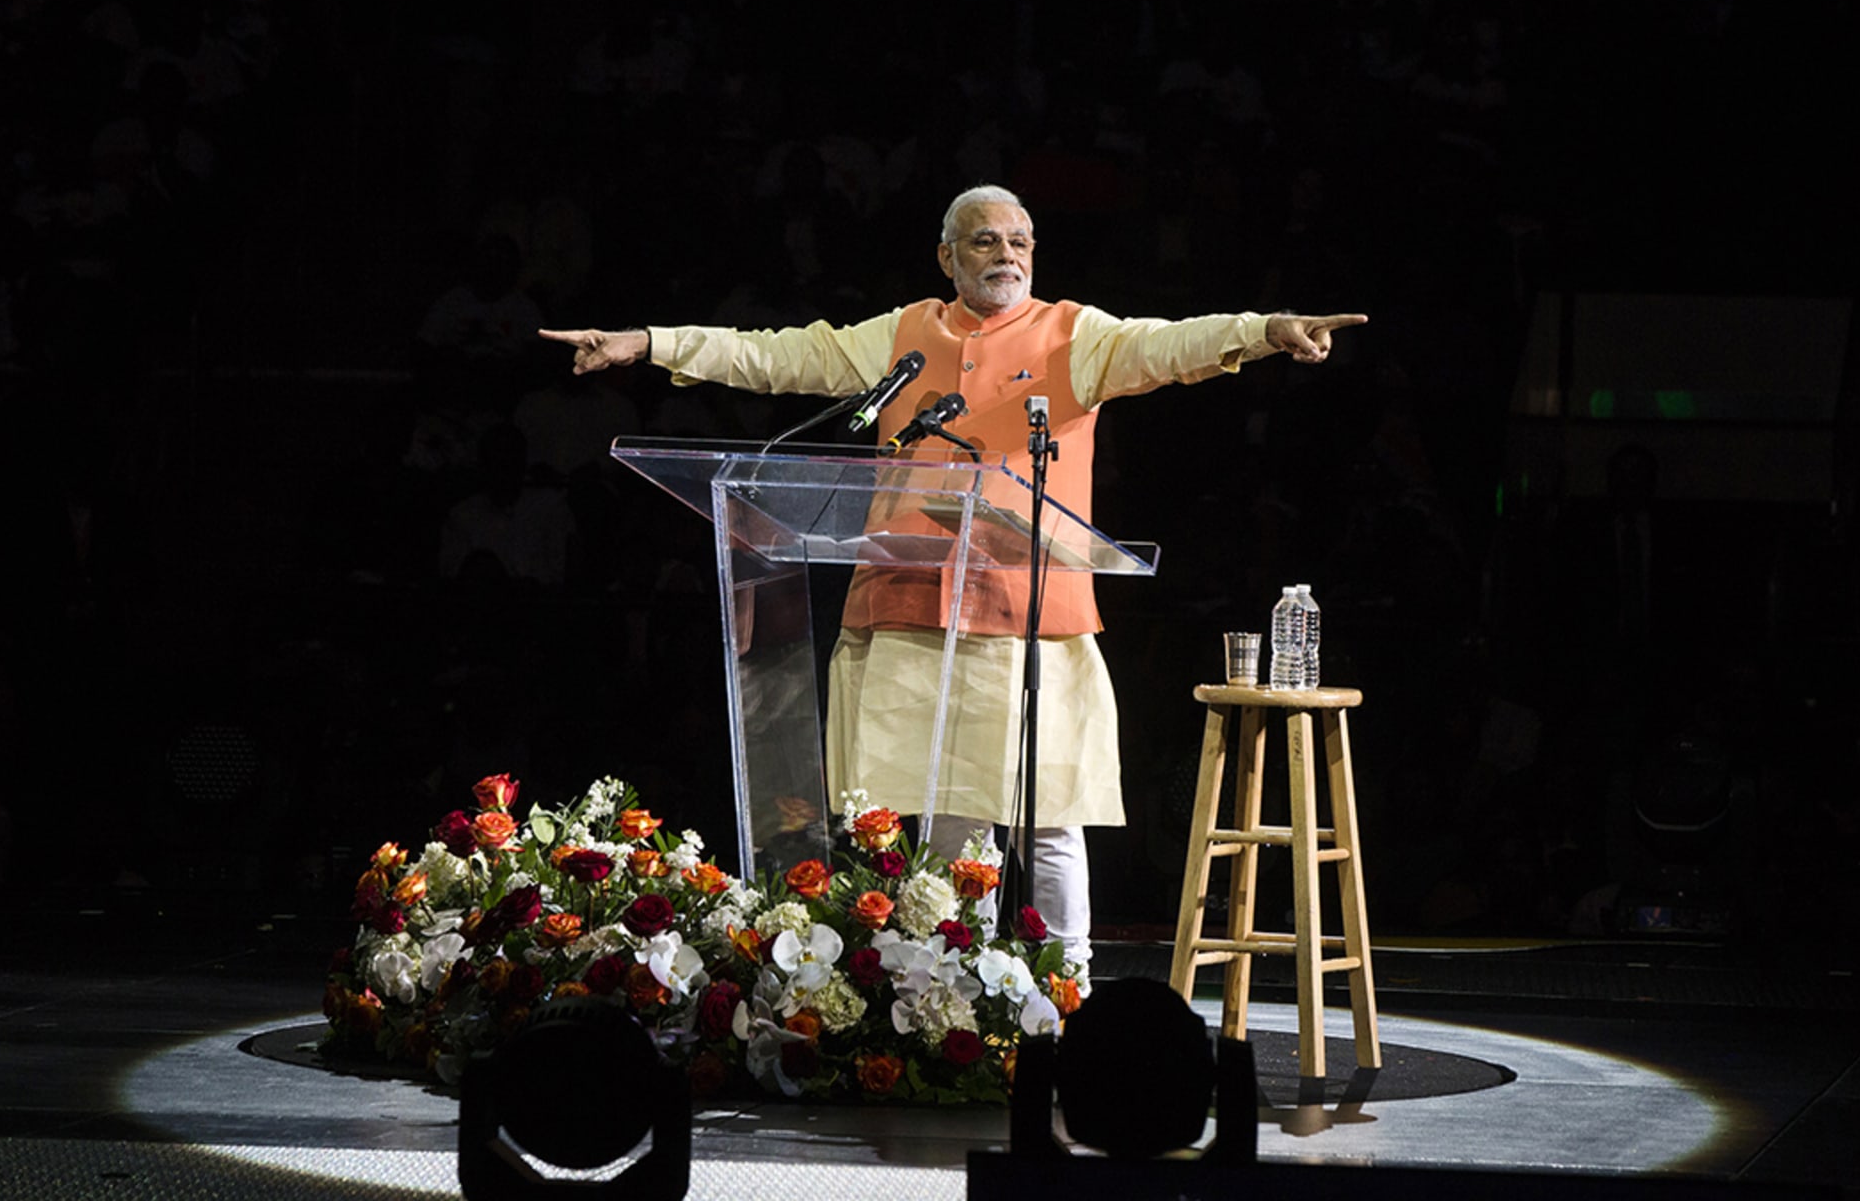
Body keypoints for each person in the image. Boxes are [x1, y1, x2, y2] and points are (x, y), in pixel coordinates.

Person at [541, 184, 1365, 968]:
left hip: (1026, 614)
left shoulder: (1076, 335)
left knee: (1047, 822)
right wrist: (648, 343)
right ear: (947, 256)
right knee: (943, 825)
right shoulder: (899, 336)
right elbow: (775, 357)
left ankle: (1065, 982)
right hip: (905, 611)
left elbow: (1173, 344)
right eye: (985, 240)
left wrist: (1265, 329)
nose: (1006, 255)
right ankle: (955, 983)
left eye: (1019, 241)